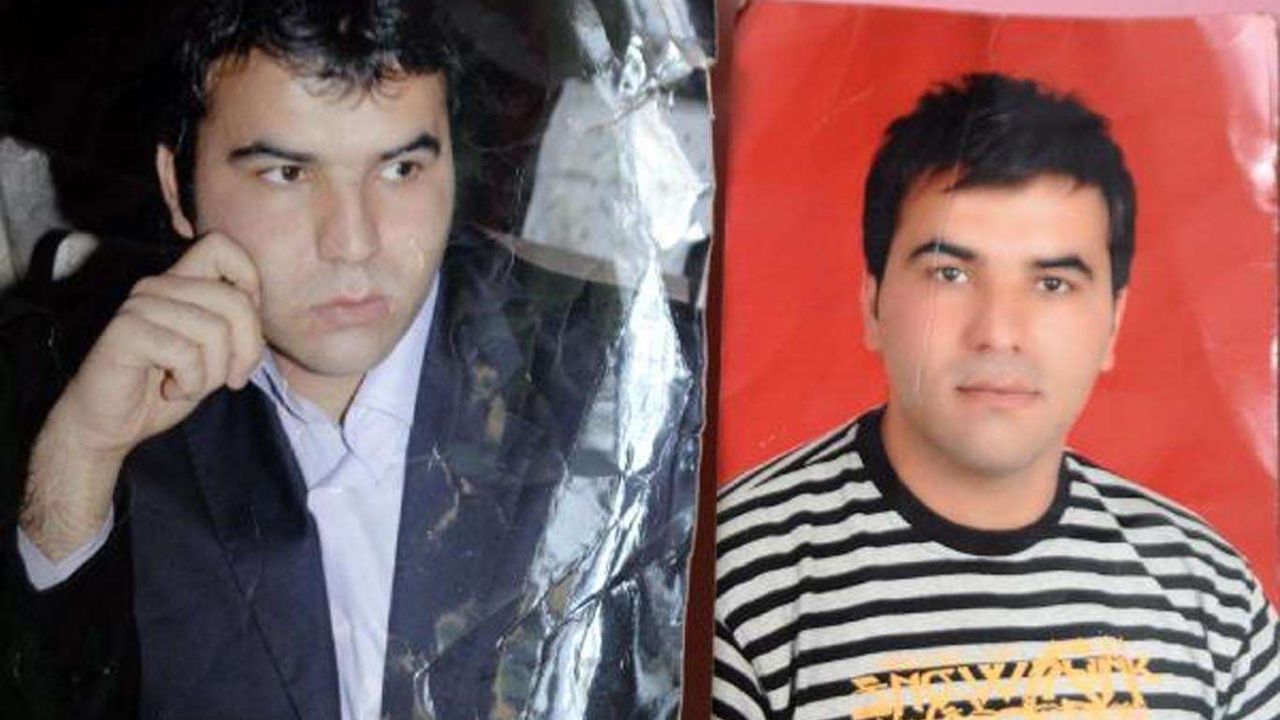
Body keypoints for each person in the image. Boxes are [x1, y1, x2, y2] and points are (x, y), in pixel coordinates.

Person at [4, 0, 699, 718]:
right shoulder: (74, 399)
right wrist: (77, 464)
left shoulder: (646, 381)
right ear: (178, 188)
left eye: (400, 168)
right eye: (286, 173)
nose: (352, 243)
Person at [713, 73, 1279, 719]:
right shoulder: (732, 578)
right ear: (873, 302)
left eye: (1052, 284)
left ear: (1113, 324)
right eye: (950, 273)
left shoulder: (1213, 597)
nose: (999, 332)